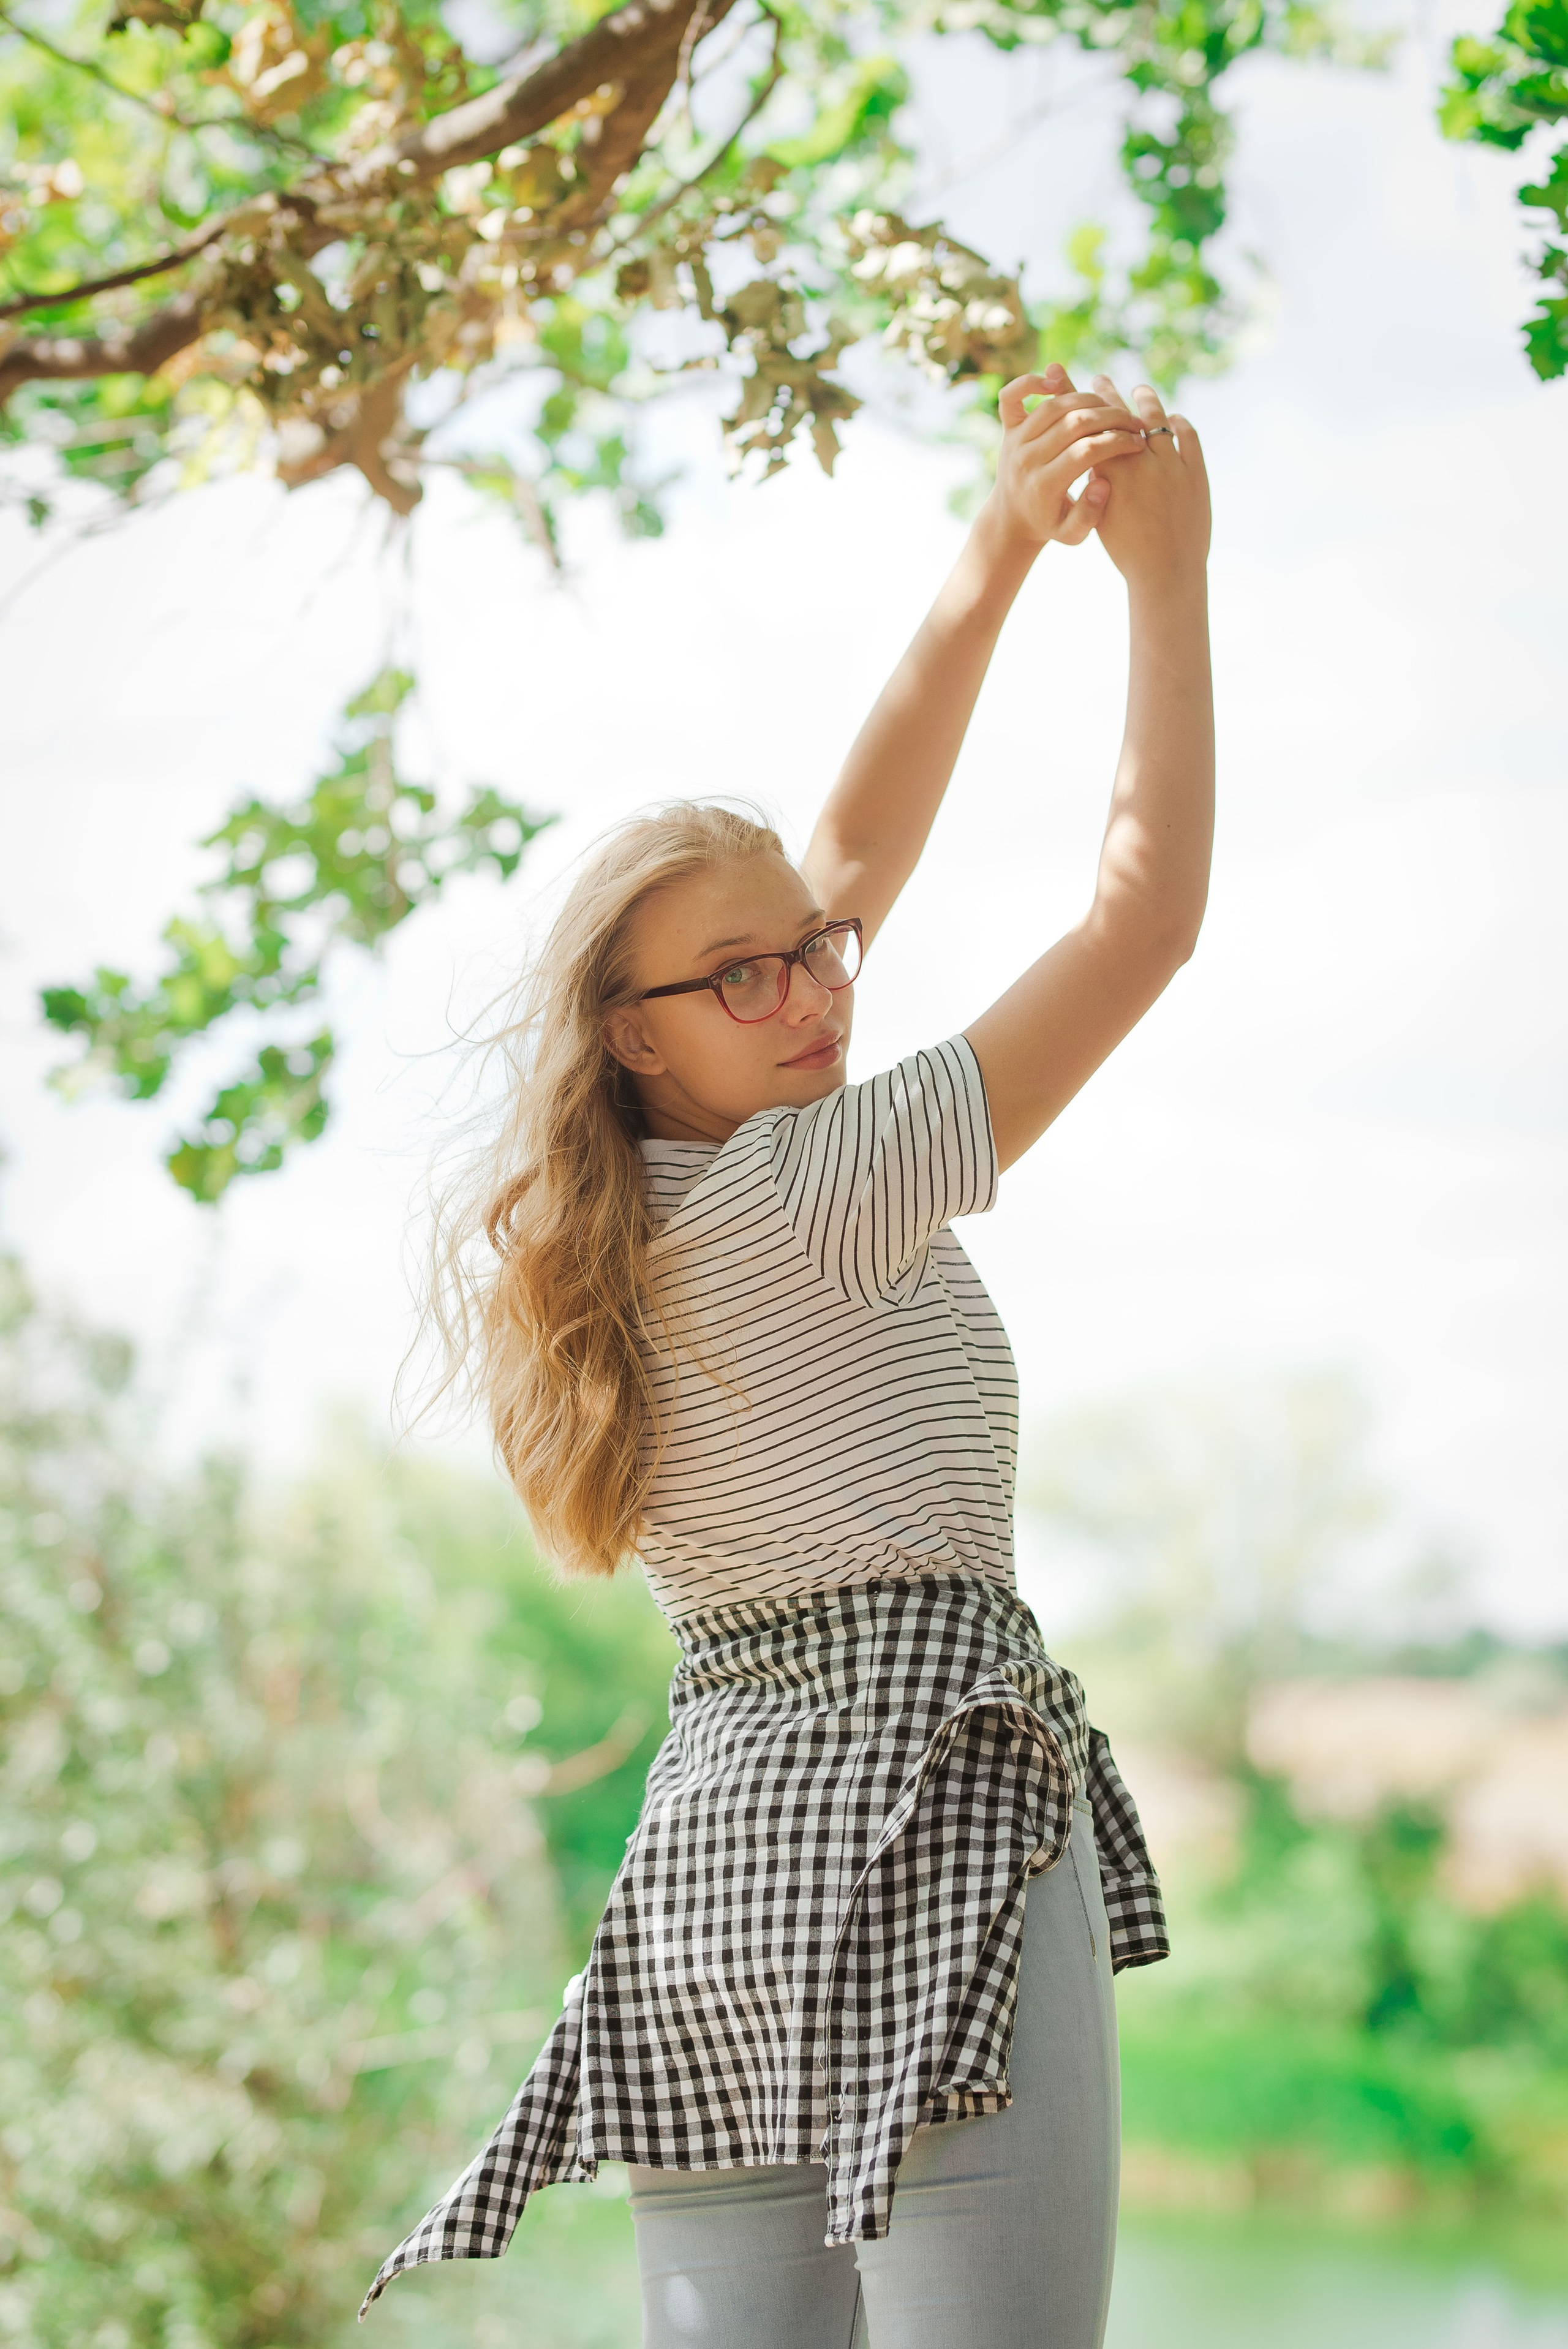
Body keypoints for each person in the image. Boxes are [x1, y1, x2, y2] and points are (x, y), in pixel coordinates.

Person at [362, 360, 1214, 2348]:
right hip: (915, 1804)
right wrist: (1165, 580)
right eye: (743, 973)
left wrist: (999, 550)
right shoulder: (815, 1186)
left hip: (720, 1848)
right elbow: (1146, 918)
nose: (813, 981)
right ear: (639, 1029)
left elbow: (835, 856)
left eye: (814, 950)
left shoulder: (616, 1226)